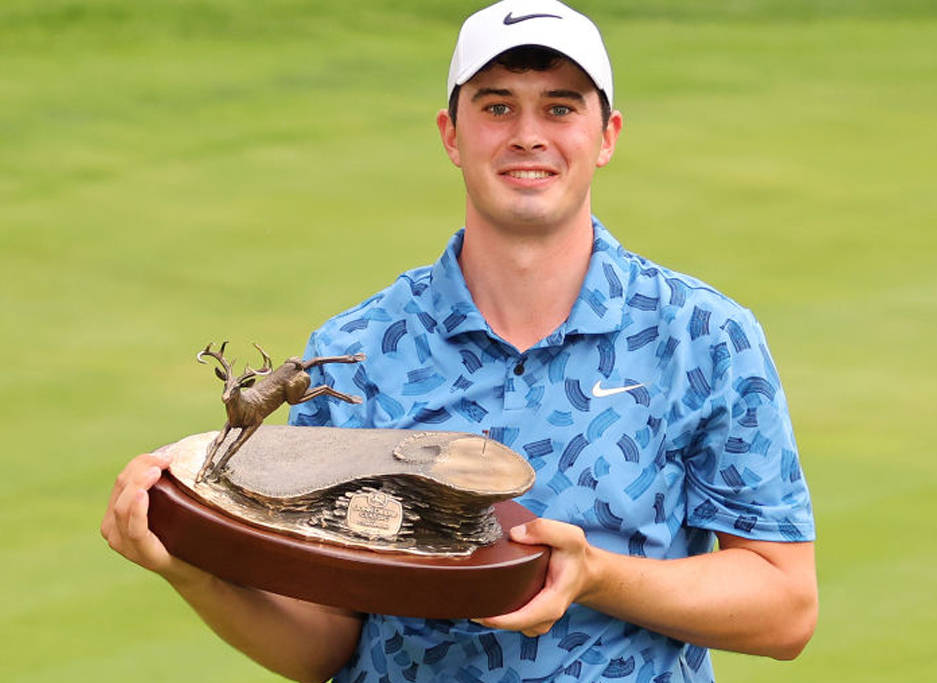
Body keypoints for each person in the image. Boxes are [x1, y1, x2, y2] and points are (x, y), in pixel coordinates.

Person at [101, 1, 817, 681]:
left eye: (560, 107)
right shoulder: (359, 351)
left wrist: (597, 577)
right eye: (497, 105)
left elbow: (785, 605)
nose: (528, 134)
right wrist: (189, 569)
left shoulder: (701, 336)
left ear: (607, 136)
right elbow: (325, 641)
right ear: (451, 133)